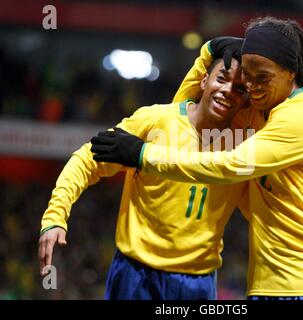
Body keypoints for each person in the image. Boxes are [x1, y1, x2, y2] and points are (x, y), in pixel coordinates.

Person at [91, 16, 303, 299]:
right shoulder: (255, 113)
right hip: (270, 284)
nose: (254, 86)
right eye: (249, 77)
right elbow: (185, 114)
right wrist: (208, 52)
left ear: (290, 72)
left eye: (263, 77)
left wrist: (142, 154)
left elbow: (231, 165)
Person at [39, 57, 253, 300]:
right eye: (222, 79)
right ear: (204, 80)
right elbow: (88, 159)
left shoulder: (246, 145)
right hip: (136, 272)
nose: (227, 91)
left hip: (198, 281)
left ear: (247, 99)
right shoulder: (156, 121)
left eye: (239, 88)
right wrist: (55, 216)